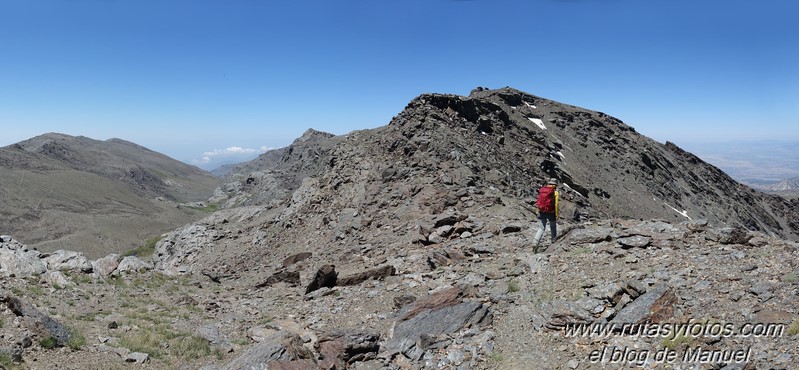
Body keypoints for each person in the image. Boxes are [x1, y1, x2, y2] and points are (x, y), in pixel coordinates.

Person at [534, 178, 559, 252]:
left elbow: (539, 201)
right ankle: (553, 241)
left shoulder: (542, 190)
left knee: (541, 228)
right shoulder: (555, 192)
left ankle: (535, 242)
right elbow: (556, 204)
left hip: (541, 211)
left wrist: (537, 210)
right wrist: (557, 215)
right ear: (555, 185)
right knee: (553, 227)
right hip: (551, 212)